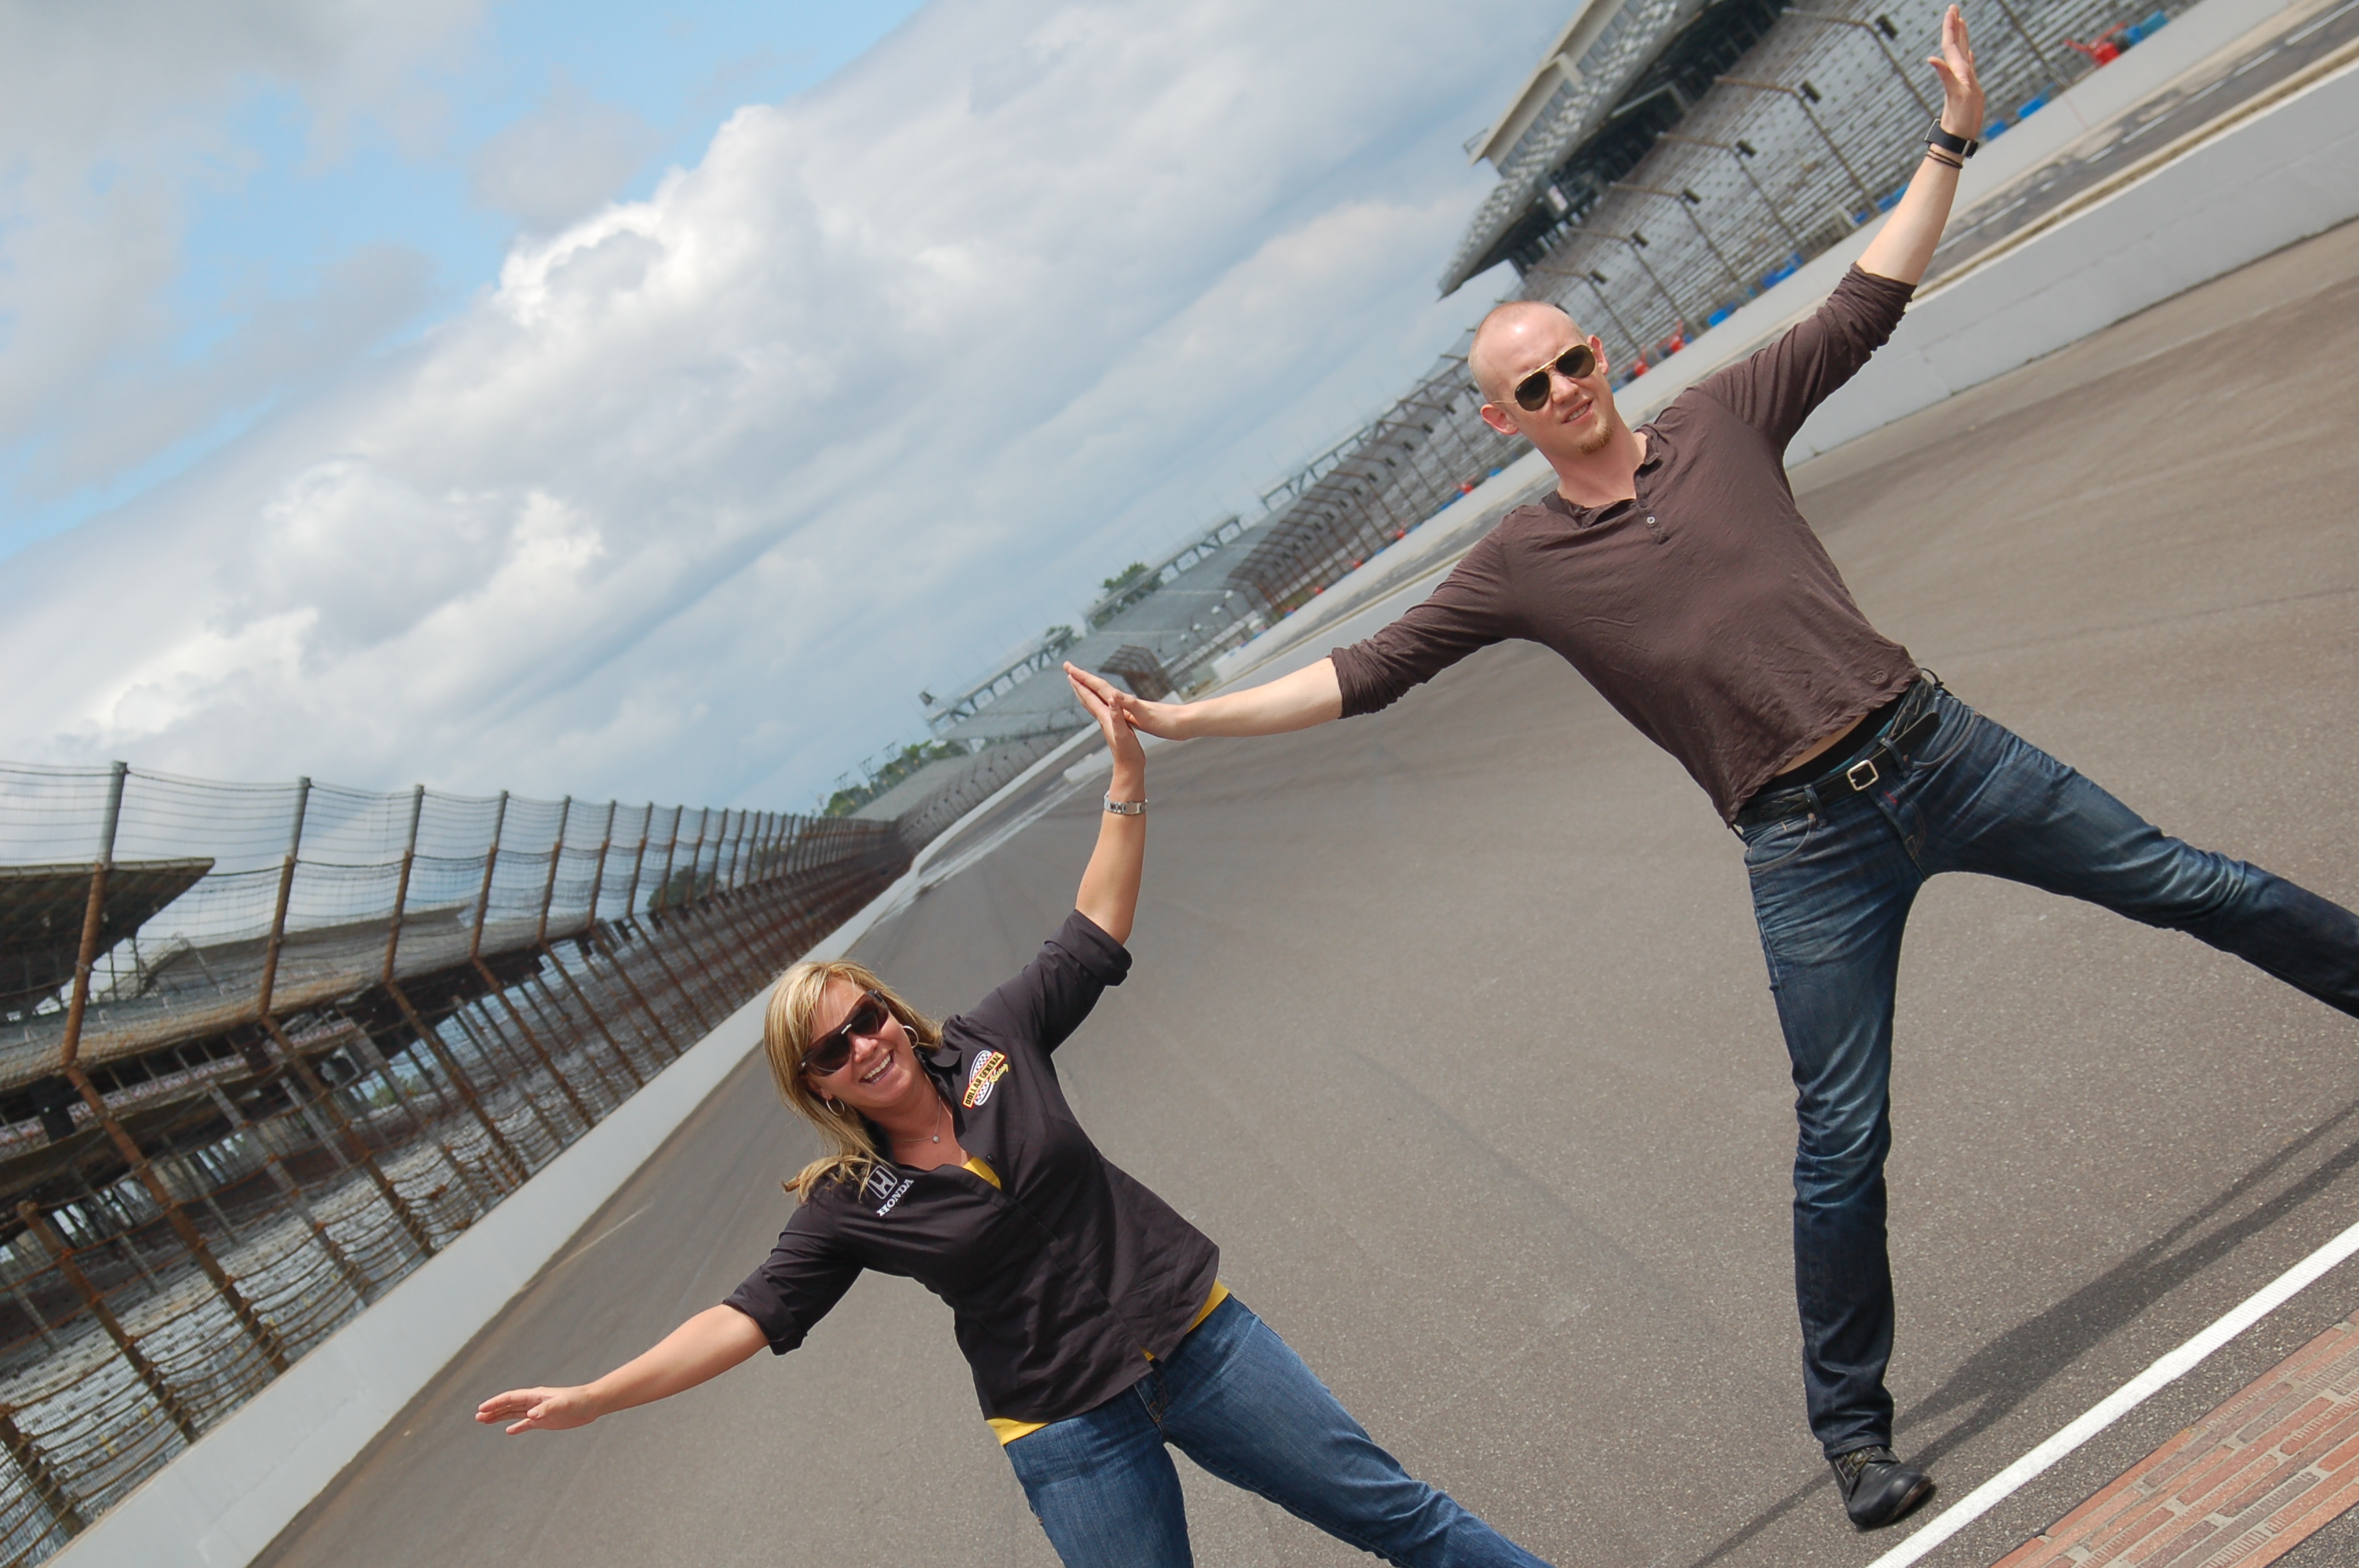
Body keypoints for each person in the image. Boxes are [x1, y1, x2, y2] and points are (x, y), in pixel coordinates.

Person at [1071, 5, 2359, 1533]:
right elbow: (1364, 674)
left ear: (1605, 351)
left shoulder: (1718, 419)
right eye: (1532, 387)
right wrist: (1181, 723)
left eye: (1574, 358)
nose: (1565, 389)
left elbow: (1864, 299)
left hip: (1936, 747)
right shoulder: (1519, 564)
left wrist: (1947, 138)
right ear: (1501, 424)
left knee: (2187, 881)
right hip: (1804, 844)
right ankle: (1854, 1431)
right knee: (1839, 1139)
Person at [475, 669, 1558, 1568]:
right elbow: (744, 1317)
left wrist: (1127, 777)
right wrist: (599, 1397)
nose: (864, 1046)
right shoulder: (848, 1204)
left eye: (865, 1019)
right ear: (818, 1089)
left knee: (1402, 1519)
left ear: (887, 1009)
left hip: (1201, 1341)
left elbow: (1091, 927)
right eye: (832, 1051)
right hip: (1068, 1430)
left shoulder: (995, 1041)